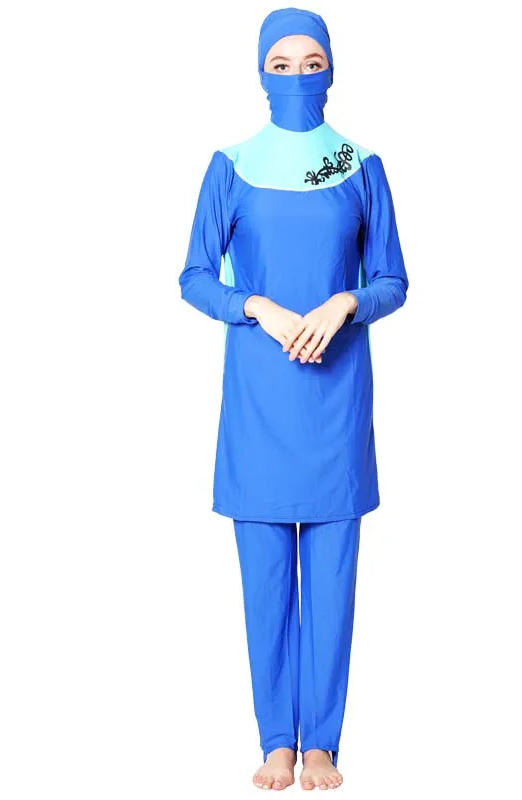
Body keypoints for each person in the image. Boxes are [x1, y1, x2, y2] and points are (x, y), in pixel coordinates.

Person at [178, 7, 408, 791]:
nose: (298, 76)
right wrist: (255, 305)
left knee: (334, 581)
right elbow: (194, 275)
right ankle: (278, 739)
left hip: (336, 398)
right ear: (259, 73)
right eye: (281, 64)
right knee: (265, 579)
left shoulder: (359, 164)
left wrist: (347, 302)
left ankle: (323, 746)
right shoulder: (232, 164)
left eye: (312, 62)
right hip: (259, 395)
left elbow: (392, 279)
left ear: (333, 69)